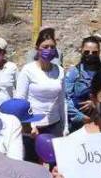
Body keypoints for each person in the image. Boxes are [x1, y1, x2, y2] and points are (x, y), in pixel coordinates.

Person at [16, 28, 67, 157]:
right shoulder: (28, 70)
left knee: (55, 162)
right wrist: (29, 125)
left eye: (52, 47)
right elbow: (20, 101)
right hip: (34, 127)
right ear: (37, 48)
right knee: (32, 163)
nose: (49, 50)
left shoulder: (60, 71)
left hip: (54, 125)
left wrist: (65, 126)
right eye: (45, 47)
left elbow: (62, 101)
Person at [64, 36, 101, 133]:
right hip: (76, 124)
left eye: (94, 52)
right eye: (87, 52)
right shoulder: (74, 72)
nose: (90, 55)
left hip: (98, 121)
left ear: (99, 52)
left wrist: (95, 103)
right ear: (81, 51)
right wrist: (81, 117)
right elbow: (65, 98)